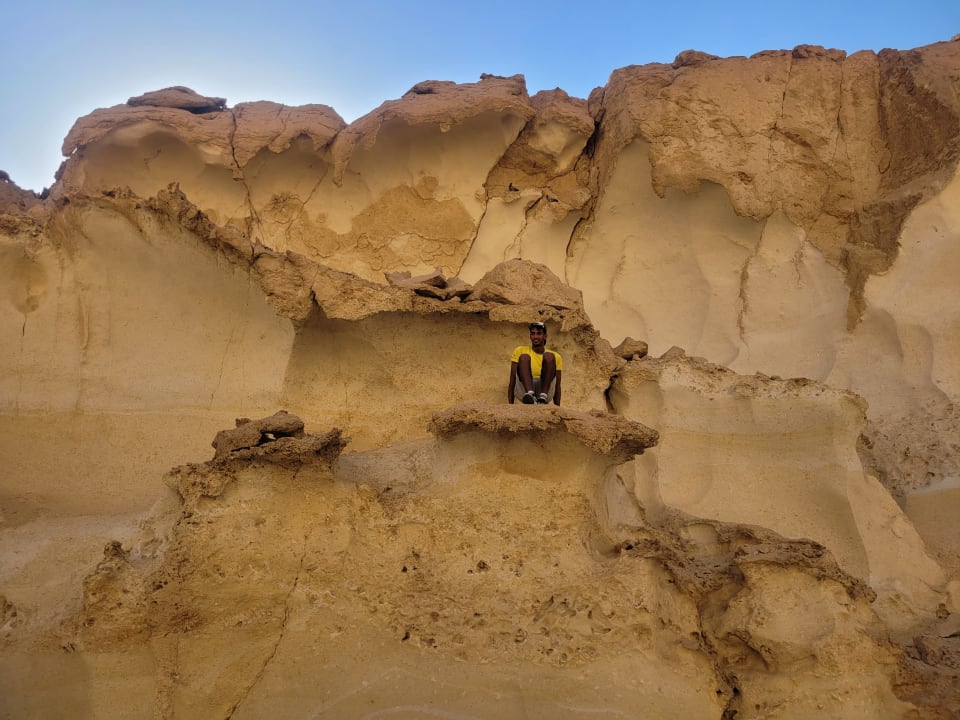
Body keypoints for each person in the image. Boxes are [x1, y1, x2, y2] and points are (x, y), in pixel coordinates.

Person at [508, 321, 563, 405]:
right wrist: (510, 405)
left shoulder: (556, 356)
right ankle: (530, 394)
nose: (535, 337)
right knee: (524, 357)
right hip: (524, 391)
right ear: (530, 336)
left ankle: (543, 397)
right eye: (532, 334)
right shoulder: (520, 350)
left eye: (539, 333)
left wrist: (557, 408)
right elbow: (513, 379)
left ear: (545, 336)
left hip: (546, 390)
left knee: (549, 356)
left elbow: (557, 385)